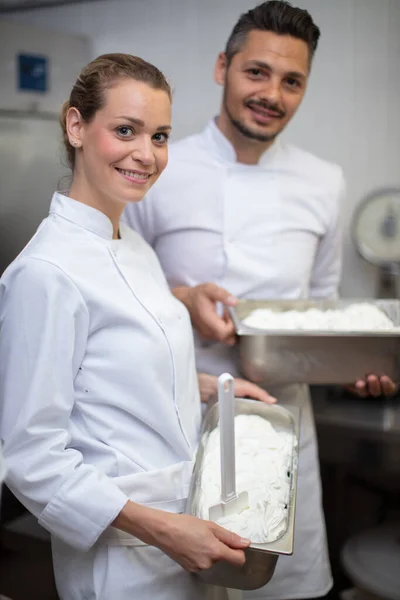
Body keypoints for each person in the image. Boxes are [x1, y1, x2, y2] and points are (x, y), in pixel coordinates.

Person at [124, 3, 396, 600]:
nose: (272, 93)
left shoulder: (324, 181)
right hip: (175, 423)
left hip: (280, 428)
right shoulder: (157, 166)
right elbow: (119, 293)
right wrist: (182, 295)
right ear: (224, 67)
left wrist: (356, 370)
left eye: (292, 81)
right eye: (257, 72)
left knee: (284, 590)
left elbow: (323, 312)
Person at [0, 53, 276, 600]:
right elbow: (30, 458)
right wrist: (166, 530)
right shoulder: (45, 274)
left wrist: (207, 391)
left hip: (186, 528)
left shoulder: (132, 241)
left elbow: (104, 372)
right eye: (125, 130)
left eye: (160, 136)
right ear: (76, 126)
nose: (146, 155)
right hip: (123, 557)